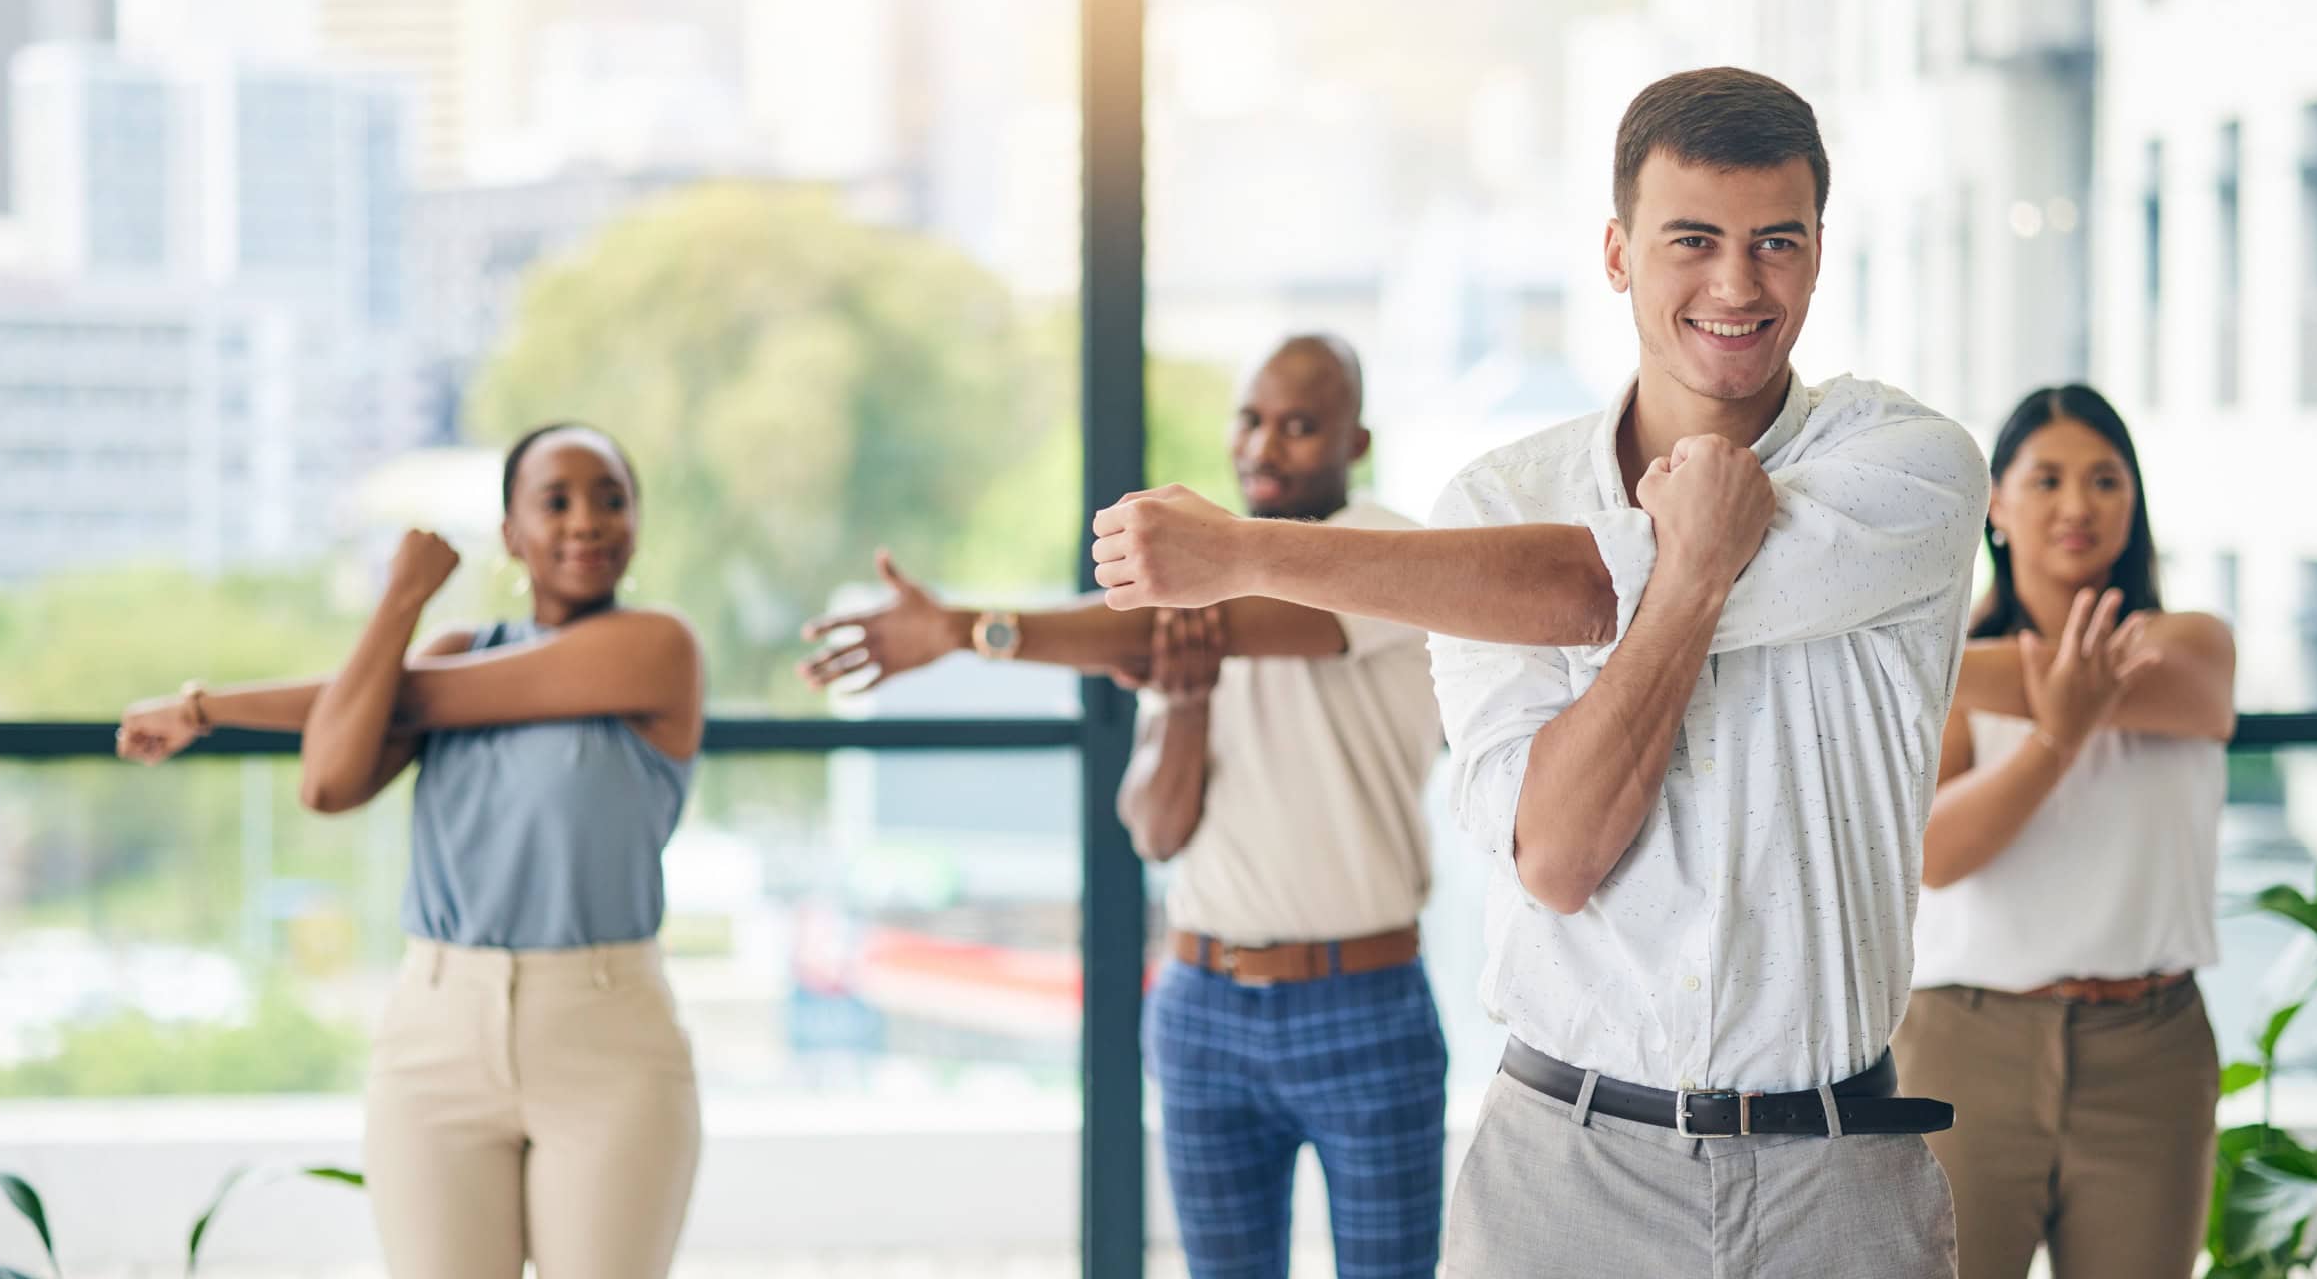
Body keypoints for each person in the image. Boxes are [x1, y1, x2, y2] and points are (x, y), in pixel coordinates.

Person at [1083, 67, 1985, 1277]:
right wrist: (1698, 566)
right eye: (1692, 240)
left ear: (1820, 254)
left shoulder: (1908, 466)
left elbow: (1587, 586)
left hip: (1838, 1178)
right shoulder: (1498, 506)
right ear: (1616, 254)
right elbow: (1557, 858)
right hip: (1566, 1175)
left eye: (1777, 241)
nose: (1736, 283)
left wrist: (1243, 553)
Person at [798, 335, 1451, 1278]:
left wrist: (961, 631)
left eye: (1301, 427)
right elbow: (1155, 829)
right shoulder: (1193, 592)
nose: (1264, 448)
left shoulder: (1385, 549)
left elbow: (1216, 623)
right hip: (1203, 1003)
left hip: (1364, 1002)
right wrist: (1183, 702)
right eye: (1251, 418)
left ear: (1355, 443)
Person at [116, 423, 705, 1279]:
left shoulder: (657, 648)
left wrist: (207, 708)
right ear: (512, 533)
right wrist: (402, 601)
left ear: (637, 523)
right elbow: (328, 781)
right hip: (437, 1030)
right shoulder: (454, 650)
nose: (587, 522)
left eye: (611, 500)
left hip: (605, 1034)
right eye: (557, 502)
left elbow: (426, 698)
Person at [1895, 383, 2237, 1279]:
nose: (2078, 504)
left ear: (2135, 501)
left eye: (2105, 480)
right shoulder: (1956, 673)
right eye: (2046, 480)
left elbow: (2175, 691)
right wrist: (2058, 736)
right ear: (1997, 505)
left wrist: (1967, 674)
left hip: (2150, 1050)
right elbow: (1936, 858)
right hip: (1968, 1043)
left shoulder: (2192, 646)